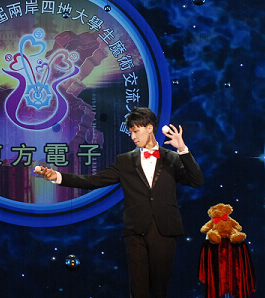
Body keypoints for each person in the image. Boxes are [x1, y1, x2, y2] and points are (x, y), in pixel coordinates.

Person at [35, 107, 204, 298]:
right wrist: (58, 176)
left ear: (150, 128)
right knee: (138, 288)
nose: (133, 136)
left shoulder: (172, 158)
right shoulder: (125, 161)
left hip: (164, 228)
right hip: (135, 230)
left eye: (136, 131)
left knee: (160, 287)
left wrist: (182, 150)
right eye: (130, 132)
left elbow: (197, 181)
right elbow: (94, 181)